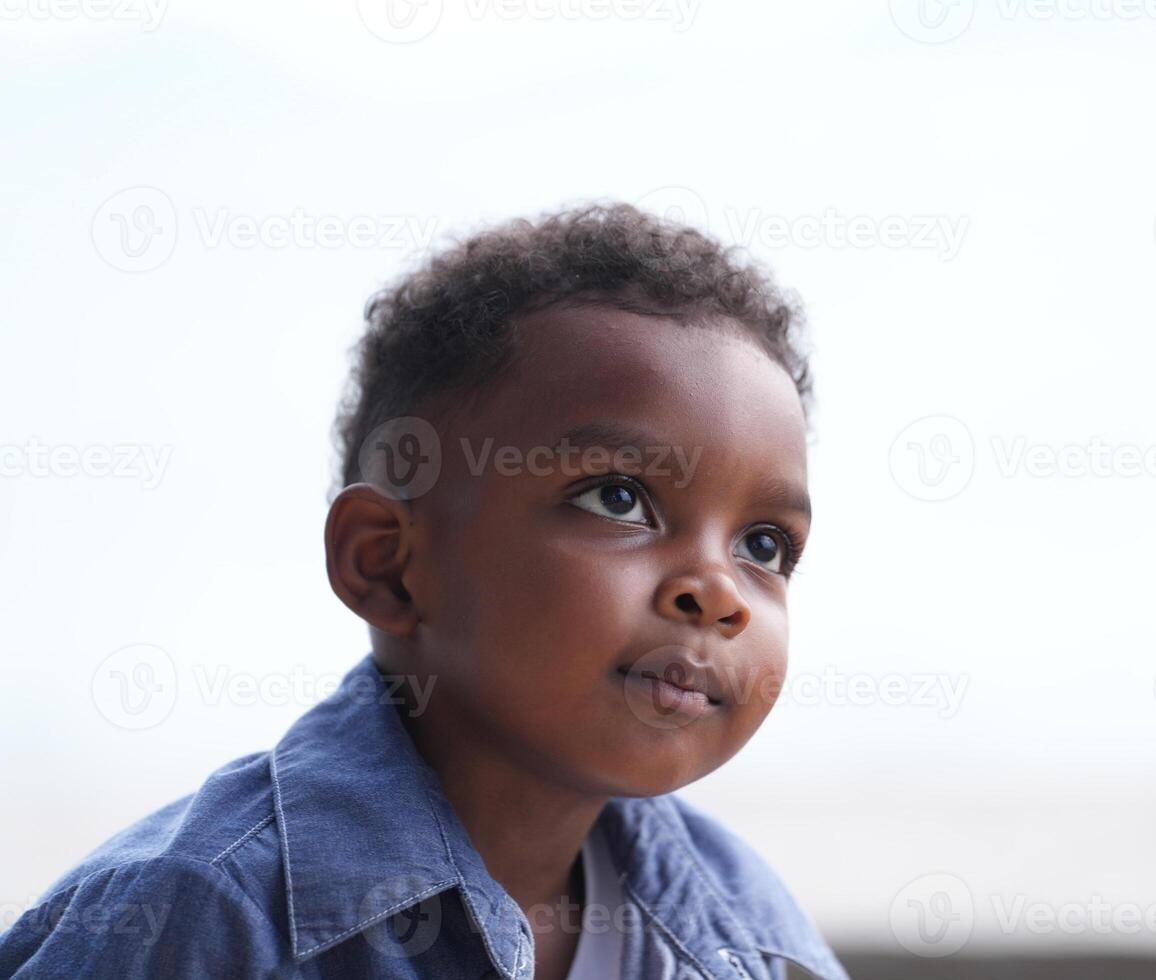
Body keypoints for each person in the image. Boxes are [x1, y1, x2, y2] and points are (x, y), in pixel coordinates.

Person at [0, 204, 847, 980]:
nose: (718, 592)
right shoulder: (195, 919)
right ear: (388, 567)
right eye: (618, 497)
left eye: (764, 545)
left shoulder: (751, 934)